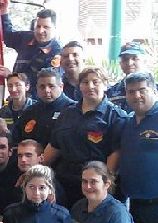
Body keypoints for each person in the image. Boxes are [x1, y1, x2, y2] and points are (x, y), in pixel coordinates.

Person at [44, 67, 126, 206]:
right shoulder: (67, 113)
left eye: (96, 82)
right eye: (85, 82)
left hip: (95, 186)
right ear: (80, 86)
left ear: (105, 85)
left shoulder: (116, 116)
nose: (90, 86)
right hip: (65, 183)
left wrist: (104, 187)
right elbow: (54, 146)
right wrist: (37, 172)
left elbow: (115, 155)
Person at [119, 72, 158, 223]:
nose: (137, 95)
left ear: (154, 90)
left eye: (142, 89)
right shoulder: (127, 123)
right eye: (131, 91)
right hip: (137, 198)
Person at [0, 0, 62, 98]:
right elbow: (8, 36)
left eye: (46, 27)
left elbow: (44, 79)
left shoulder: (57, 53)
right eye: (38, 26)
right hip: (17, 97)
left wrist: (12, 76)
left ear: (55, 28)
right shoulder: (27, 38)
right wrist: (4, 12)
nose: (40, 31)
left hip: (38, 101)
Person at [13, 68, 76, 148]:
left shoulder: (73, 110)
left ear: (61, 86)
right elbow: (16, 140)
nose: (46, 90)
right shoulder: (30, 112)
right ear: (37, 88)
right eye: (42, 87)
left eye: (51, 86)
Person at [15, 139, 66, 207]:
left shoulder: (51, 185)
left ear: (41, 158)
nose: (23, 159)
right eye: (20, 156)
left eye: (28, 155)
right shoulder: (17, 180)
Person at [107, 42, 148, 112]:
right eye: (125, 59)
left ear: (144, 61)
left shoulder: (154, 89)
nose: (129, 63)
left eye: (134, 58)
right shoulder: (111, 92)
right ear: (120, 64)